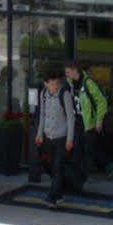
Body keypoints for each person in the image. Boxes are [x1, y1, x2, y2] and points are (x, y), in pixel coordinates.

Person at [34, 69, 79, 209]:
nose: (55, 86)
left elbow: (71, 119)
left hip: (62, 137)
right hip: (49, 136)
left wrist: (70, 139)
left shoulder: (64, 95)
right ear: (46, 84)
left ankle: (51, 197)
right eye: (52, 84)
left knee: (58, 166)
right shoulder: (43, 94)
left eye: (57, 83)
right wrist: (39, 133)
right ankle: (58, 195)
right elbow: (42, 114)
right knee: (53, 167)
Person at [66, 60, 112, 177]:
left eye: (68, 72)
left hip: (89, 122)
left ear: (74, 70)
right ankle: (80, 175)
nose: (66, 74)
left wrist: (99, 120)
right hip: (77, 120)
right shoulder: (70, 84)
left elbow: (102, 101)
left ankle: (108, 164)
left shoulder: (88, 83)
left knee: (91, 149)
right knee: (77, 149)